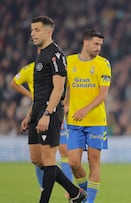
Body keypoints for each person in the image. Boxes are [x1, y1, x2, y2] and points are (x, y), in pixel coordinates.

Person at [21, 15, 86, 203]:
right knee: (37, 159)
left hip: (49, 113)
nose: (32, 33)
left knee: (49, 161)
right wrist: (30, 114)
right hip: (37, 112)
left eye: (37, 30)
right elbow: (39, 92)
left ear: (49, 31)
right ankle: (75, 192)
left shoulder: (56, 55)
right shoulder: (40, 54)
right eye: (32, 30)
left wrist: (47, 114)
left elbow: (59, 88)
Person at [65, 28, 111, 203]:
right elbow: (68, 90)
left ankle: (89, 202)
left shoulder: (103, 64)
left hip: (96, 121)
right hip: (74, 122)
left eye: (100, 44)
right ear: (85, 42)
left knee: (93, 162)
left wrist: (85, 109)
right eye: (96, 43)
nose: (99, 47)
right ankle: (81, 193)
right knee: (74, 163)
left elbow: (103, 95)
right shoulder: (69, 62)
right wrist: (64, 109)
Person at [10, 61, 73, 189]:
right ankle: (43, 187)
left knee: (64, 150)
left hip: (56, 113)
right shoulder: (30, 69)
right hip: (39, 113)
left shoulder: (57, 67)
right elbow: (14, 83)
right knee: (40, 157)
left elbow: (68, 86)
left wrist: (65, 106)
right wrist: (31, 96)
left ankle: (70, 190)